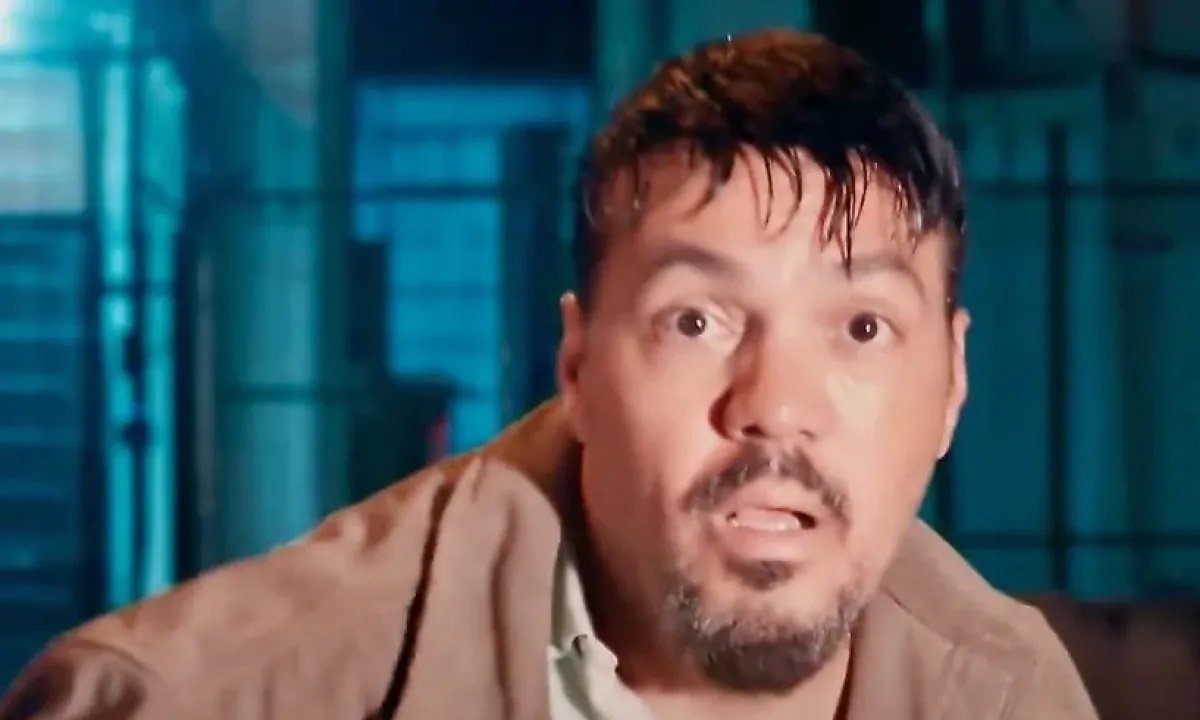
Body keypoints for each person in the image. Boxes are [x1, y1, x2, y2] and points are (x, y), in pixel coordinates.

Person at [0, 29, 1097, 720]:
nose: (776, 407)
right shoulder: (195, 701)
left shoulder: (1015, 696)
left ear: (952, 385)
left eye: (861, 328)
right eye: (696, 320)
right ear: (576, 366)